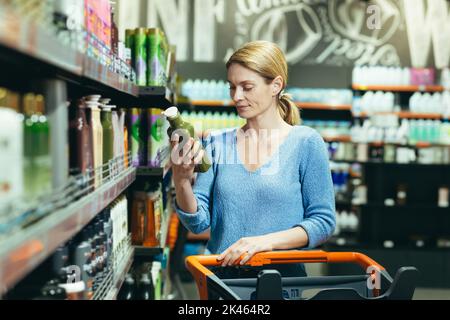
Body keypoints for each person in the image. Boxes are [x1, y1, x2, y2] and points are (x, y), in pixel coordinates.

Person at [170, 41, 335, 279]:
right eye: (232, 87)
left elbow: (323, 221)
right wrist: (181, 180)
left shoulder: (306, 143)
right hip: (223, 283)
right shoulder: (218, 144)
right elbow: (198, 223)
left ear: (275, 85)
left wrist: (264, 243)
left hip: (281, 282)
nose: (237, 97)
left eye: (247, 87)